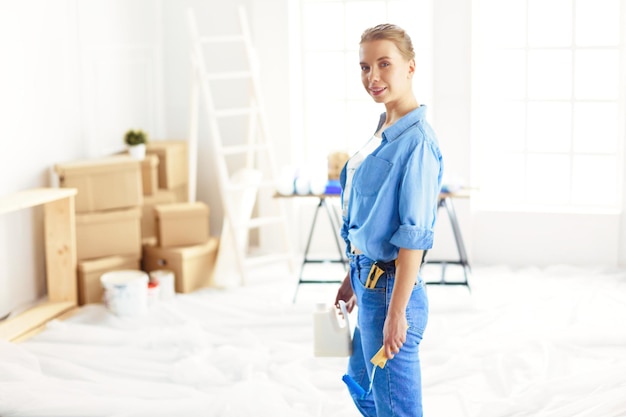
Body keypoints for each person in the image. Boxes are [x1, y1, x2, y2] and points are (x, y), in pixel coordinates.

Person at [334, 23, 444, 417]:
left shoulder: (418, 143)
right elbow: (370, 213)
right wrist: (352, 276)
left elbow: (414, 237)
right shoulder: (384, 129)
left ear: (411, 67)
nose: (373, 77)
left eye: (384, 64)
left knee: (397, 411)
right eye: (365, 67)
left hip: (391, 293)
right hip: (368, 283)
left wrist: (396, 315)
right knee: (362, 384)